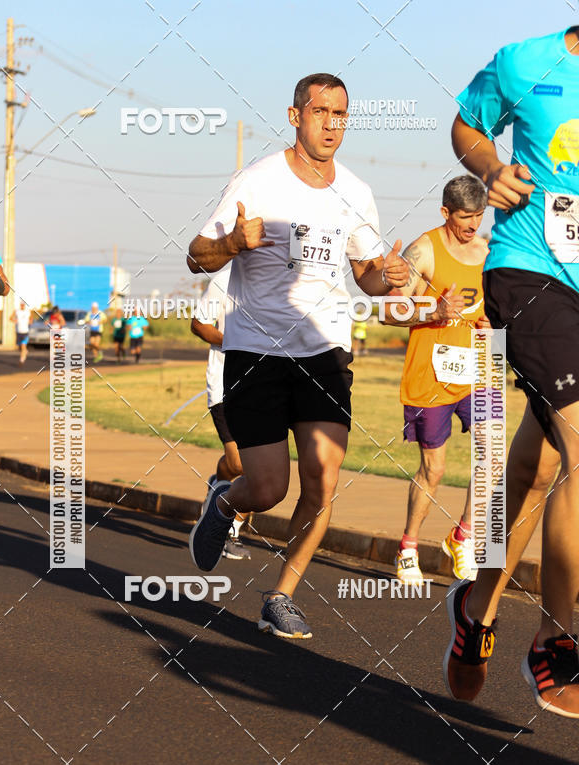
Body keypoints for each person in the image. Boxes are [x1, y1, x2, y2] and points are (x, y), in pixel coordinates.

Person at [186, 73, 408, 640]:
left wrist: (389, 276)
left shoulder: (355, 191)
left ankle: (280, 595)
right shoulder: (257, 180)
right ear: (295, 116)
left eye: (341, 114)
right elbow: (196, 255)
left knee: (323, 480)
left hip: (324, 353)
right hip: (256, 352)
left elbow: (366, 275)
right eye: (321, 111)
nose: (332, 124)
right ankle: (225, 504)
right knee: (268, 489)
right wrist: (232, 244)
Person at [442, 26, 579, 717]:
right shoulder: (528, 61)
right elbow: (468, 123)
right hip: (529, 272)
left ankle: (476, 609)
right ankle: (556, 641)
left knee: (539, 466)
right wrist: (490, 168)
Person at [383, 176, 491, 586]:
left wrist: (493, 325)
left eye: (479, 215)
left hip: (479, 367)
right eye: (465, 217)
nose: (473, 225)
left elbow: (493, 308)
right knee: (435, 468)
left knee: (492, 455)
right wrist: (434, 311)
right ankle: (408, 546)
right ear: (446, 212)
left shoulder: (486, 251)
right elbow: (389, 312)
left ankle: (463, 535)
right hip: (431, 374)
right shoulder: (424, 250)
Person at [191, 266, 252, 560]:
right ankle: (219, 496)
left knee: (257, 468)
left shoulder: (281, 281)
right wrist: (235, 343)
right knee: (239, 462)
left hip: (265, 385)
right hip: (225, 384)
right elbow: (199, 324)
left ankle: (232, 528)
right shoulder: (225, 280)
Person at [10, 300, 33, 364]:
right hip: (18, 331)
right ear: (20, 305)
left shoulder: (28, 311)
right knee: (20, 346)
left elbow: (31, 318)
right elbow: (10, 318)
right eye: (21, 305)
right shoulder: (16, 311)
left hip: (25, 331)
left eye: (23, 305)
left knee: (23, 345)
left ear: (25, 305)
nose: (22, 306)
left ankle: (22, 359)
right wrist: (14, 320)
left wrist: (30, 322)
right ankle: (25, 351)